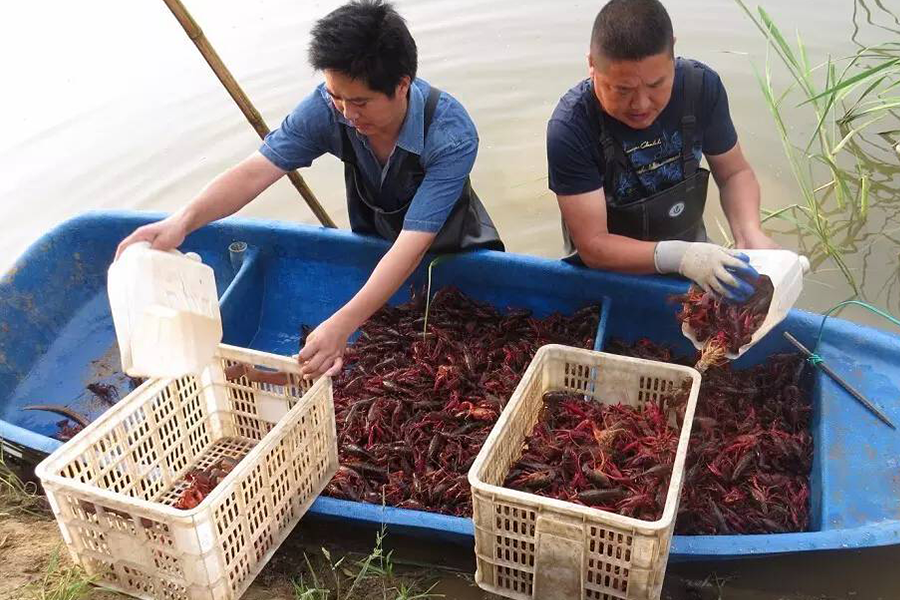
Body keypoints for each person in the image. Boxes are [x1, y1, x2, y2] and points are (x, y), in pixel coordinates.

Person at [116, 0, 503, 377]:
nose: (348, 114)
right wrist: (183, 222)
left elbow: (412, 243)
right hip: (377, 238)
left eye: (361, 102)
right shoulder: (326, 109)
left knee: (477, 322)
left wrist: (343, 324)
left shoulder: (451, 135)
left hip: (452, 244)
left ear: (402, 85)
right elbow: (255, 172)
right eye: (337, 97)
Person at [547, 0, 779, 301]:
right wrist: (680, 257)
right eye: (622, 89)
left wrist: (749, 232)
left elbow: (734, 173)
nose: (641, 104)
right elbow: (594, 245)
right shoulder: (571, 127)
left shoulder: (700, 88)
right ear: (592, 64)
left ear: (673, 55)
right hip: (608, 275)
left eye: (657, 85)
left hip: (694, 253)